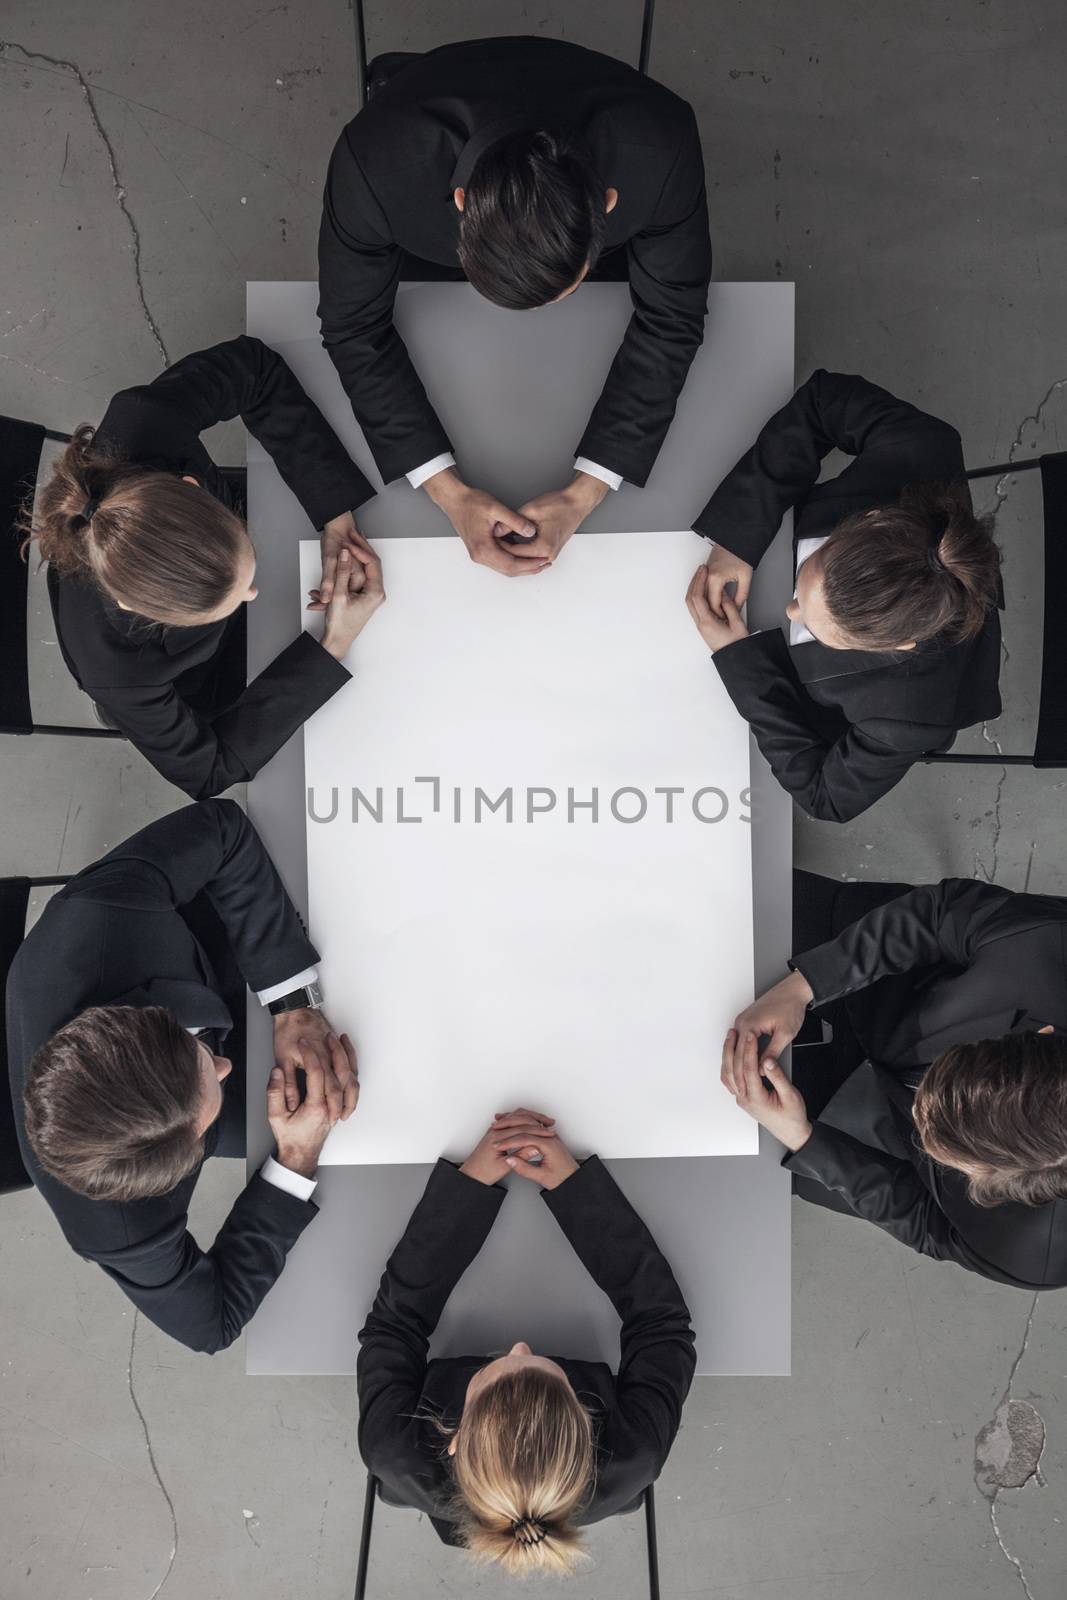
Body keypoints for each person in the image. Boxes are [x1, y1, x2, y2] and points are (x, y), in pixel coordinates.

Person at [319, 35, 711, 577]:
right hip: (416, 188)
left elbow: (674, 317)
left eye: (558, 294)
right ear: (461, 206)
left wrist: (587, 492)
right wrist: (445, 490)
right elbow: (351, 325)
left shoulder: (663, 149)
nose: (535, 321)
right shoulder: (373, 166)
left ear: (609, 205)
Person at [7, 799, 359, 1353]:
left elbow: (222, 830)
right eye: (215, 1079)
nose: (227, 1065)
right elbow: (212, 1324)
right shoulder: (117, 1228)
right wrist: (295, 1160)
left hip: (184, 953)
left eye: (203, 1059)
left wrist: (292, 1003)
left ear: (145, 1025)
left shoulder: (99, 915)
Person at [22, 336, 384, 799]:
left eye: (246, 576)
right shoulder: (119, 671)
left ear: (192, 488)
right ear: (132, 605)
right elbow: (208, 771)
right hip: (203, 678)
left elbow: (254, 369)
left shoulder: (143, 421)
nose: (257, 593)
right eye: (240, 593)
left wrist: (335, 515)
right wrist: (333, 644)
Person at [357, 1108, 695, 1575]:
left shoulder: (394, 1449)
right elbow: (661, 1325)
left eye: (501, 1366)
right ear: (588, 1419)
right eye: (538, 1364)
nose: (520, 1346)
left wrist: (469, 1186)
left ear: (451, 1438)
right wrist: (575, 1190)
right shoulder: (634, 1453)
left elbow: (393, 1327)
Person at [722, 871, 1067, 1289]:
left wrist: (804, 1138)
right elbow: (938, 915)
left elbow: (930, 1225)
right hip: (879, 975)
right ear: (1040, 1036)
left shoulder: (1038, 1253)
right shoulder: (1046, 942)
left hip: (845, 1134)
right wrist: (804, 986)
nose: (919, 1111)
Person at [684, 370, 1002, 823]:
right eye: (802, 589)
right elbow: (821, 401)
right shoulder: (921, 447)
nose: (788, 610)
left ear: (897, 646)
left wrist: (740, 658)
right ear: (869, 519)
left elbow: (825, 798)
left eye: (815, 625)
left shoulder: (907, 715)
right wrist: (737, 537)